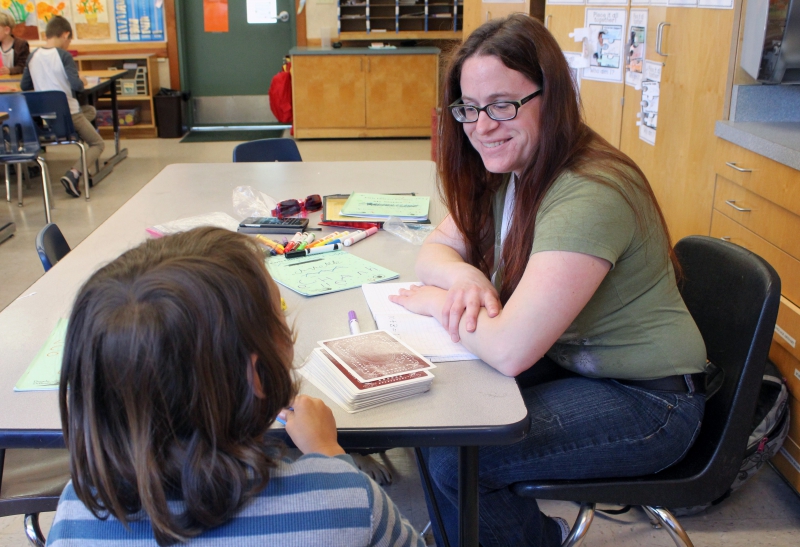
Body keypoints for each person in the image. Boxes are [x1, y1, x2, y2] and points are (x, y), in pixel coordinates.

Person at [389, 14, 706, 547]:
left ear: (551, 97)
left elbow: (511, 349)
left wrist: (432, 303)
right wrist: (465, 278)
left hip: (651, 403)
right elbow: (437, 247)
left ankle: (539, 540)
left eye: (503, 104)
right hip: (576, 369)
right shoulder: (513, 172)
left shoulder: (587, 191)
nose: (482, 125)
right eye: (469, 108)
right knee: (432, 416)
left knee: (455, 459)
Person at [47, 227, 424, 547]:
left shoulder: (75, 513)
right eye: (278, 311)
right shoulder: (347, 499)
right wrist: (330, 456)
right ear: (254, 376)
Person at [21, 15, 104, 198]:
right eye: (69, 40)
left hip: (46, 119)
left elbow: (24, 86)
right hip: (69, 114)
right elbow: (77, 87)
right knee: (98, 143)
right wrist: (81, 79)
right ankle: (74, 173)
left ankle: (79, 147)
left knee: (90, 111)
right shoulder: (64, 56)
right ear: (66, 34)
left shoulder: (32, 56)